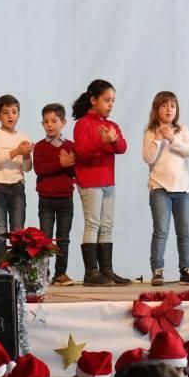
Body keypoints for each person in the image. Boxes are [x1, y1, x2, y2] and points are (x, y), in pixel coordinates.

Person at [72, 79, 129, 286]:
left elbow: (122, 147)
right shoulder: (83, 124)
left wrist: (113, 140)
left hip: (108, 181)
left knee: (107, 225)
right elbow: (83, 153)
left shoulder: (111, 125)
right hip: (90, 180)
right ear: (93, 100)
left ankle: (107, 269)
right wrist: (102, 141)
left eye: (113, 100)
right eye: (106, 100)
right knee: (93, 223)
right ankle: (91, 272)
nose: (110, 104)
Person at [143, 91, 189, 286]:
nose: (169, 109)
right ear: (156, 109)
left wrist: (172, 138)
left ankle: (186, 269)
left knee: (185, 231)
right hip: (160, 188)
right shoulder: (151, 131)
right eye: (164, 105)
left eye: (173, 106)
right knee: (161, 230)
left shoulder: (181, 129)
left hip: (182, 189)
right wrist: (159, 139)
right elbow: (148, 158)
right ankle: (157, 270)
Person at [33, 103, 77, 286]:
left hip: (65, 198)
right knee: (45, 238)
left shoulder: (70, 146)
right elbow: (40, 170)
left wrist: (69, 167)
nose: (49, 125)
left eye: (54, 121)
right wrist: (61, 165)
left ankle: (61, 273)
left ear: (63, 123)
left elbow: (74, 170)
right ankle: (43, 273)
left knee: (63, 238)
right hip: (46, 199)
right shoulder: (40, 147)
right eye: (46, 122)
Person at [0, 95, 32, 265]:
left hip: (17, 186)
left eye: (14, 112)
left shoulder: (23, 136)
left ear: (18, 115)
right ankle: (2, 266)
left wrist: (26, 155)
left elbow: (26, 168)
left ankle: (17, 266)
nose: (10, 116)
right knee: (0, 229)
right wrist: (17, 151)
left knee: (18, 229)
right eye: (5, 112)